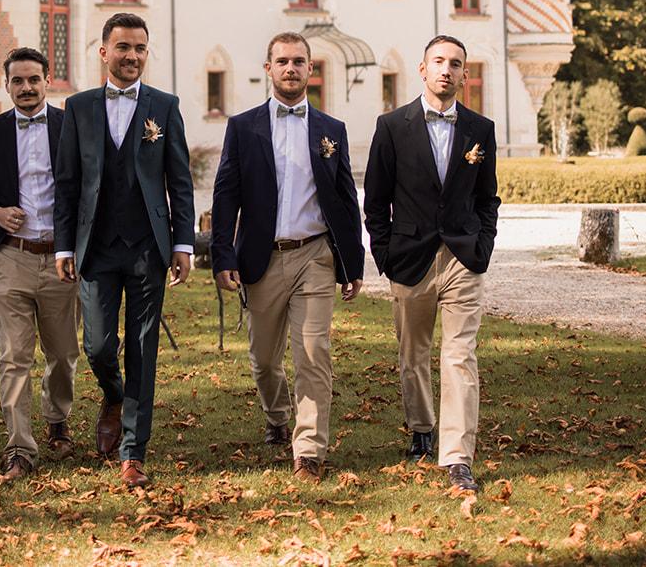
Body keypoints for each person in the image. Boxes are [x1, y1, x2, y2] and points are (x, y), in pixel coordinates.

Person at [209, 32, 364, 481]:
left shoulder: (331, 131)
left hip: (314, 256)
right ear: (269, 68)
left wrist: (352, 264)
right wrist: (223, 255)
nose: (291, 68)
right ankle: (277, 415)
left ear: (310, 70)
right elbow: (225, 194)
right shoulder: (244, 127)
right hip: (262, 258)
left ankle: (309, 449)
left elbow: (344, 200)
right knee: (263, 359)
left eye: (299, 61)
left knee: (313, 352)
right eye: (283, 61)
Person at [53, 12, 195, 490]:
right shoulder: (78, 107)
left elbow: (179, 179)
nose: (131, 56)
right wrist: (62, 244)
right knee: (96, 345)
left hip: (148, 249)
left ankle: (133, 451)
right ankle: (113, 395)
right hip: (95, 247)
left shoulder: (166, 106)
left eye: (139, 48)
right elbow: (68, 183)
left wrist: (182, 242)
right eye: (123, 48)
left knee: (141, 348)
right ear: (103, 51)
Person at [362, 34, 499, 493]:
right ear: (422, 69)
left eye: (455, 63)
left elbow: (488, 199)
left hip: (463, 257)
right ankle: (422, 426)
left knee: (459, 356)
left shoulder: (481, 129)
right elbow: (375, 201)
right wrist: (384, 255)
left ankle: (457, 457)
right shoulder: (391, 126)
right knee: (413, 355)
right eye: (438, 61)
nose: (446, 69)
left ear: (464, 73)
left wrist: (483, 246)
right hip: (410, 258)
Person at [0, 46, 79, 480]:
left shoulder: (71, 126)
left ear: (48, 80)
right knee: (14, 356)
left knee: (64, 353)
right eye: (17, 81)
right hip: (12, 256)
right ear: (6, 84)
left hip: (61, 259)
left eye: (34, 80)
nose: (26, 88)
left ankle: (57, 420)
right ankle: (19, 448)